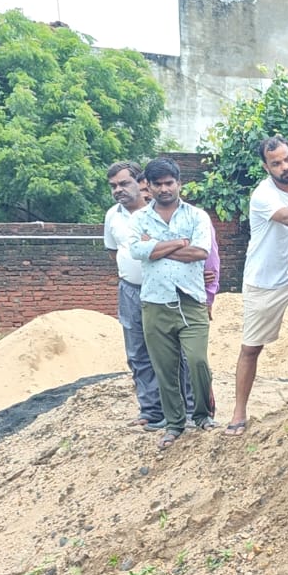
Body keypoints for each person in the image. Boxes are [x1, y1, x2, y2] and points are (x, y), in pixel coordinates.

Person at [223, 136, 288, 437]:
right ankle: (239, 411)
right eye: (276, 163)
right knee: (251, 348)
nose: (284, 166)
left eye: (287, 159)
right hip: (265, 281)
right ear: (266, 166)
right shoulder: (263, 195)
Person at [129, 157, 218, 449]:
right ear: (150, 187)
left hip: (190, 299)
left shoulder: (196, 216)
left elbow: (200, 252)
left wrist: (156, 247)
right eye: (158, 184)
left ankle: (203, 415)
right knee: (164, 368)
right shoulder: (139, 218)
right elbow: (137, 251)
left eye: (170, 182)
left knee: (197, 361)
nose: (164, 188)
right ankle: (175, 424)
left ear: (179, 183)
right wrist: (179, 243)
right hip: (154, 301)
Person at [104, 161, 177, 430]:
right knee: (137, 352)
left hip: (164, 289)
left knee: (173, 350)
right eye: (113, 186)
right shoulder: (113, 215)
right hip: (130, 291)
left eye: (124, 183)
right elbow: (114, 252)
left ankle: (185, 410)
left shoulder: (160, 212)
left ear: (142, 183)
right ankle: (151, 410)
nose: (118, 190)